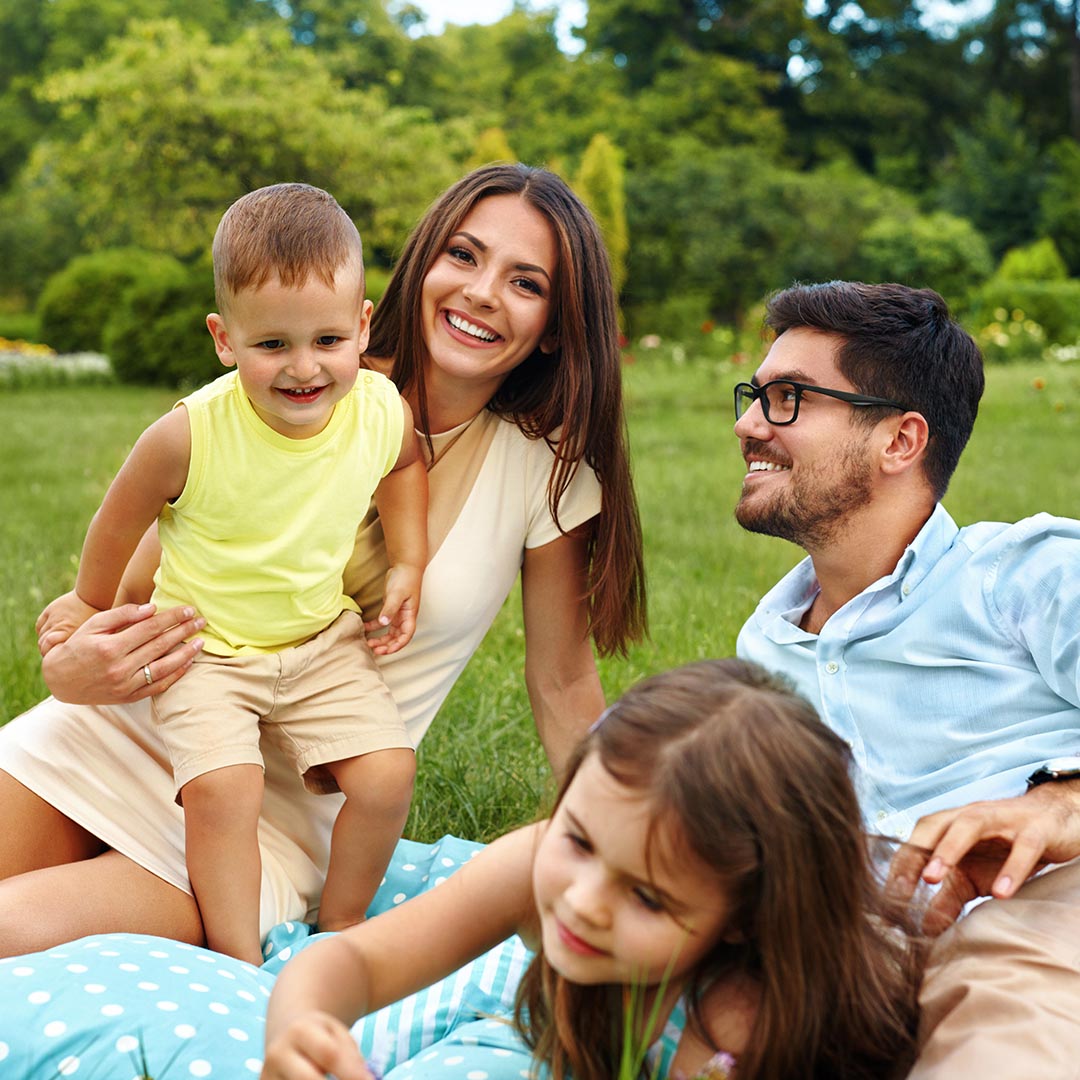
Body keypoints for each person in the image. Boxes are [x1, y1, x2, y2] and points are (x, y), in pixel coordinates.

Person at [0, 163, 646, 956]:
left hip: (275, 819)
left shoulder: (546, 477)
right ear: (423, 267)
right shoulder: (294, 386)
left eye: (526, 281)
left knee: (10, 931)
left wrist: (629, 843)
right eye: (465, 256)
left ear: (553, 322)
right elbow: (138, 578)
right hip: (139, 730)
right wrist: (73, 665)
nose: (481, 292)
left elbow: (562, 681)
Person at [36, 183, 428, 965]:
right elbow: (118, 518)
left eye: (326, 339)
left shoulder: (380, 409)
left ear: (362, 327)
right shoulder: (189, 434)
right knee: (225, 789)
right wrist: (87, 601)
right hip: (204, 647)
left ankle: (342, 929)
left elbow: (407, 464)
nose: (304, 368)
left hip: (319, 640)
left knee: (387, 775)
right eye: (272, 345)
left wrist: (410, 559)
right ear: (224, 338)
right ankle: (236, 955)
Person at [260, 659, 924, 1080]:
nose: (583, 903)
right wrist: (301, 1031)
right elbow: (354, 964)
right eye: (578, 841)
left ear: (745, 920)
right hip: (506, 1000)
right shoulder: (535, 867)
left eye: (648, 898)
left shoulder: (744, 1030)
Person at [732, 280, 1080, 1076]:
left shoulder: (1023, 577)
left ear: (899, 441)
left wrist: (1061, 802)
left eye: (788, 398)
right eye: (755, 395)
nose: (749, 423)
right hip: (855, 965)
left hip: (1035, 916)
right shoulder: (764, 649)